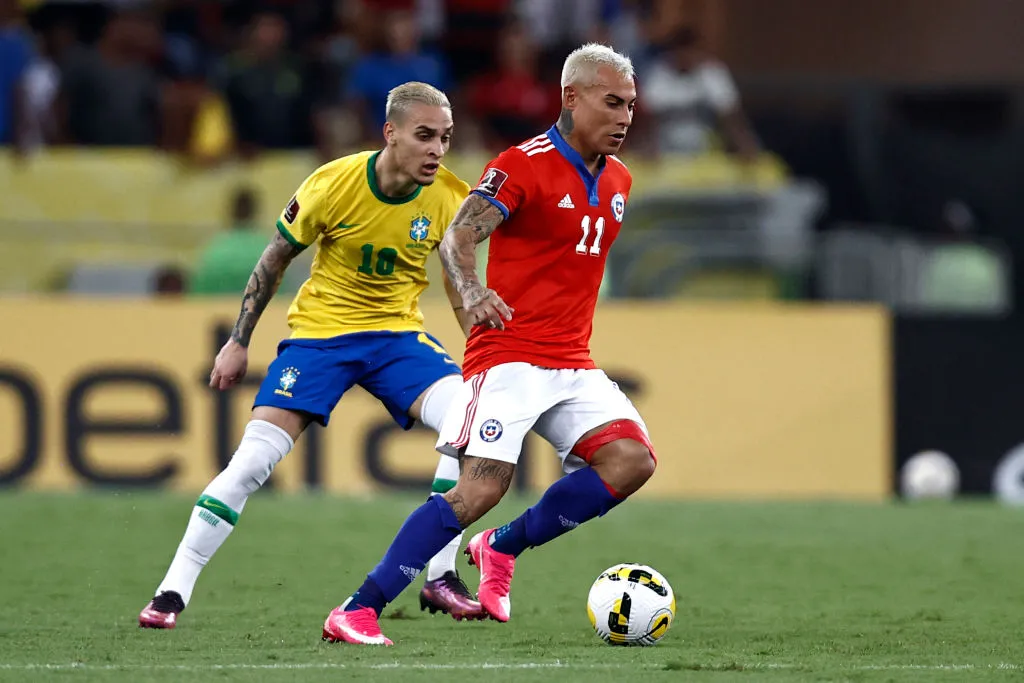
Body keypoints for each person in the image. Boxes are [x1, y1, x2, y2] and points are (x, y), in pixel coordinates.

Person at [322, 44, 656, 647]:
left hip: (571, 361)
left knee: (632, 461)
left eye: (631, 104)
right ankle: (357, 608)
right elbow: (460, 234)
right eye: (612, 102)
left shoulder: (621, 180)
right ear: (571, 98)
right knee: (479, 488)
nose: (625, 116)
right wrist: (472, 289)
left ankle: (500, 547)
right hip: (507, 356)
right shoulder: (520, 164)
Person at [139, 81, 488, 630]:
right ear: (390, 133)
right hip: (321, 337)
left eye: (444, 138)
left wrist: (480, 349)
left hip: (397, 338)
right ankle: (169, 593)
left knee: (473, 424)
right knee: (251, 463)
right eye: (424, 136)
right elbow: (274, 260)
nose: (436, 150)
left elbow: (456, 279)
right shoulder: (333, 183)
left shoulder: (450, 196)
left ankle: (439, 577)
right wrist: (238, 340)